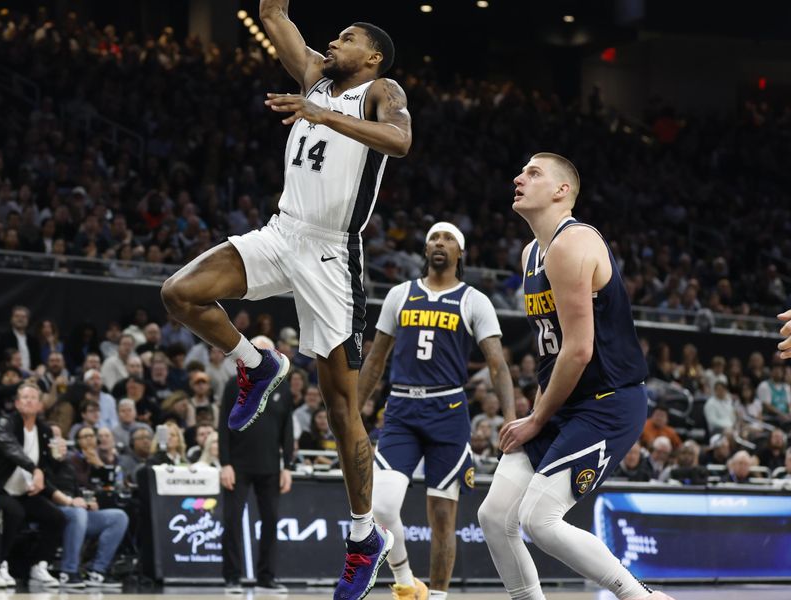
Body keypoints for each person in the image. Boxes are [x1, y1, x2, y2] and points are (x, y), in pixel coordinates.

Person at [159, 2, 411, 594]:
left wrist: (322, 113)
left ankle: (362, 537)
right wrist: (313, 95)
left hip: (332, 254)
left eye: (348, 37)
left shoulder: (382, 90)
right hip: (282, 231)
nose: (335, 40)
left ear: (371, 56)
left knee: (340, 408)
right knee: (180, 293)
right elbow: (272, 14)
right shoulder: (316, 77)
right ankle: (257, 362)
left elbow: (399, 142)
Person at [478, 153, 673, 600]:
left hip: (608, 402)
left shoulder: (573, 242)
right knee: (494, 517)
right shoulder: (531, 253)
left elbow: (580, 349)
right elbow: (554, 352)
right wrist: (541, 409)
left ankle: (640, 596)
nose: (518, 177)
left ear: (561, 191)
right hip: (563, 400)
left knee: (538, 520)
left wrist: (534, 419)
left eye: (533, 173)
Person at [358, 221, 513, 599]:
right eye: (433, 239)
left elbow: (497, 365)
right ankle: (407, 582)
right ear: (425, 251)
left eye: (448, 239)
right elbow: (376, 359)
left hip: (448, 410)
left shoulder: (474, 300)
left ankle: (439, 596)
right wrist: (352, 410)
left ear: (460, 254)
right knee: (381, 506)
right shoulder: (399, 294)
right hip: (402, 409)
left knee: (443, 517)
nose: (439, 243)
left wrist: (510, 419)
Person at [219, 336, 295, 594]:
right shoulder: (234, 384)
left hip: (271, 467)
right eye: (256, 351)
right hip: (238, 466)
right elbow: (222, 427)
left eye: (265, 351)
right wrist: (225, 463)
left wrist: (288, 466)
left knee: (272, 521)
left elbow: (288, 429)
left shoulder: (282, 388)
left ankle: (266, 576)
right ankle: (231, 576)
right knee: (231, 520)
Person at [0, 383, 66, 587]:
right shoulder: (6, 423)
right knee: (14, 512)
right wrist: (34, 469)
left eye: (33, 397)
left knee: (57, 517)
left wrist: (58, 458)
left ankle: (38, 565)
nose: (29, 400)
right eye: (24, 397)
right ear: (16, 403)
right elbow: (10, 448)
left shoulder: (44, 431)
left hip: (26, 492)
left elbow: (51, 471)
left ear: (40, 405)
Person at [46, 426, 128, 588]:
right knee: (78, 513)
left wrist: (87, 502)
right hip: (53, 511)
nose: (59, 442)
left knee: (118, 517)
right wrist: (70, 501)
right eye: (53, 438)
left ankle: (97, 571)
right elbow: (44, 490)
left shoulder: (68, 465)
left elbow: (80, 490)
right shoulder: (40, 464)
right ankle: (69, 571)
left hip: (77, 513)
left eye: (60, 438)